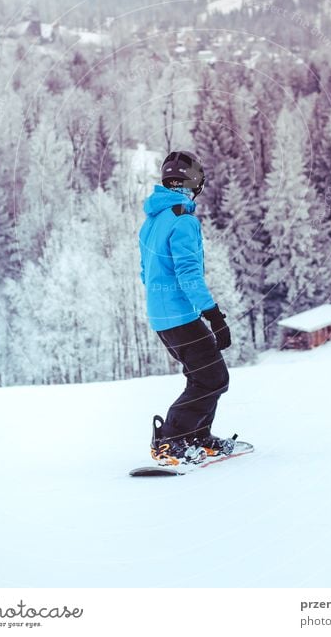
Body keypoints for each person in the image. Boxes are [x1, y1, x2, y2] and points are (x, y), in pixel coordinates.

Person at [139, 150, 235, 467]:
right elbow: (188, 274)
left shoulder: (152, 221)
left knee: (204, 377)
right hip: (181, 315)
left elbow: (145, 271)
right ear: (194, 182)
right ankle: (171, 440)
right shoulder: (183, 220)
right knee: (213, 378)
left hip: (161, 317)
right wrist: (214, 315)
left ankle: (197, 437)